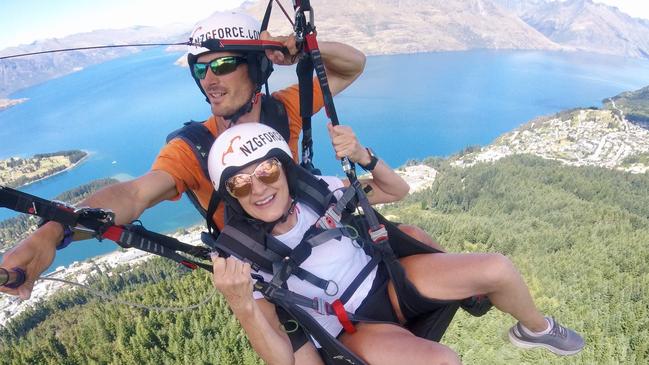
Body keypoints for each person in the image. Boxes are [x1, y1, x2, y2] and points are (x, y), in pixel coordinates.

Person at [0, 11, 365, 299]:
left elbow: (352, 64)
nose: (210, 80)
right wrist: (50, 232)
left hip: (319, 242)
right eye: (201, 69)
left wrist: (299, 49)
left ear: (257, 69)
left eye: (222, 66)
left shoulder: (283, 111)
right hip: (269, 273)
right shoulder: (194, 148)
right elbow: (134, 194)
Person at [207, 122, 585, 365]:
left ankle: (535, 329)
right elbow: (281, 359)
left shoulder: (319, 191)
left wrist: (362, 156)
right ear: (231, 196)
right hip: (354, 326)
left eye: (267, 171)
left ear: (284, 168)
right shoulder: (244, 258)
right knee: (443, 362)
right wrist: (242, 305)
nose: (258, 188)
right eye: (240, 184)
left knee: (497, 268)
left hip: (390, 282)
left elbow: (396, 189)